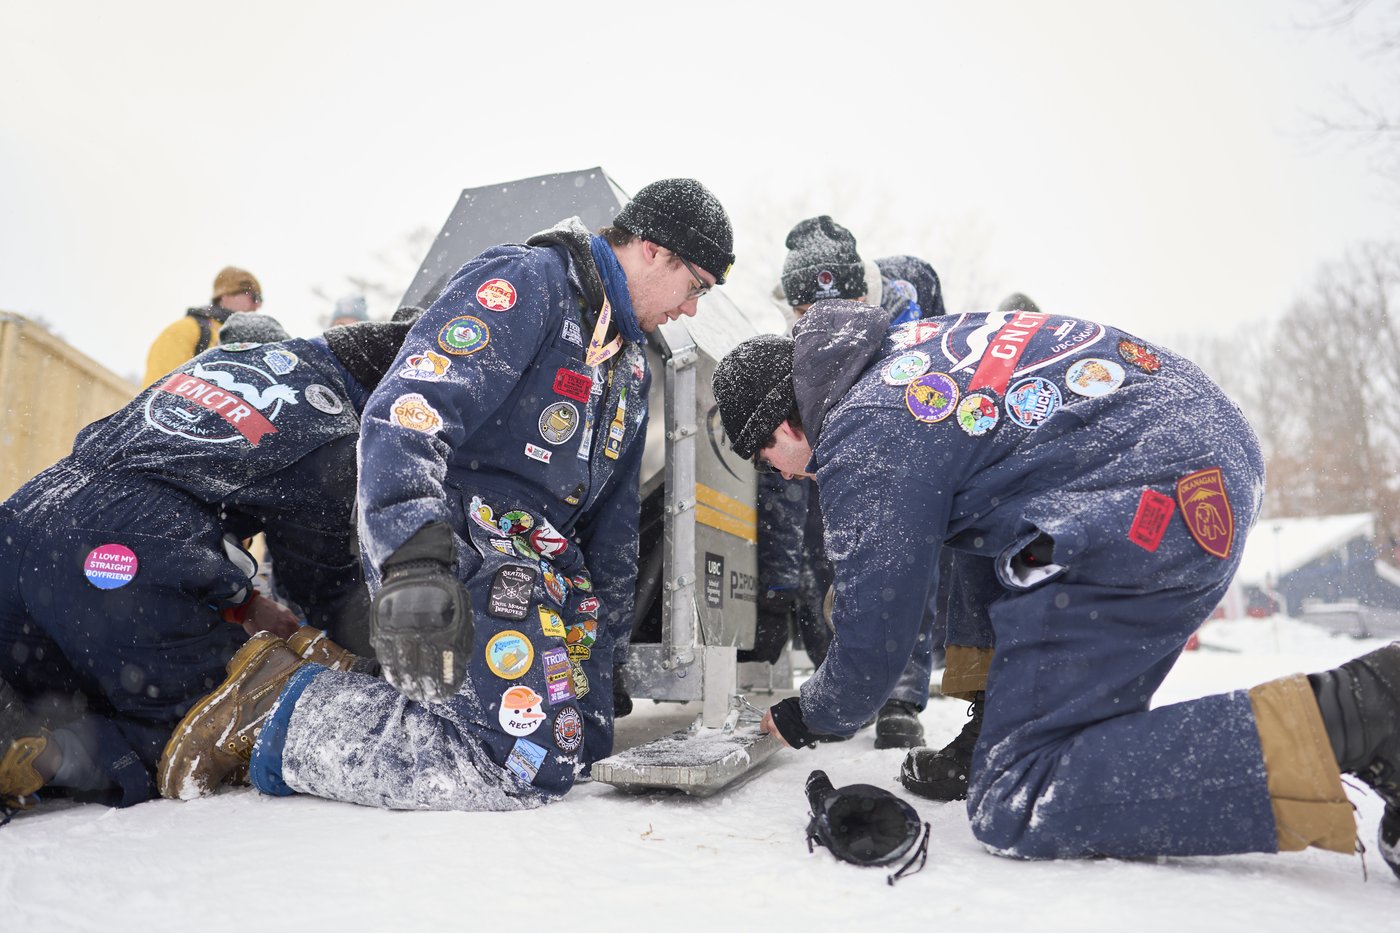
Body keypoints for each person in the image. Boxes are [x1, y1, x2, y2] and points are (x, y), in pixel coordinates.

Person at [712, 299, 1400, 876]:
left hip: (1143, 502)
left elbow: (874, 639)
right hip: (1189, 446)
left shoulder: (864, 430)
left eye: (771, 460)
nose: (787, 476)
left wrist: (809, 713)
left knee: (1018, 797)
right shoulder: (906, 354)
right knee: (969, 530)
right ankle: (993, 728)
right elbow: (964, 531)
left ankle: (1357, 715)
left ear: (781, 423)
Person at [157, 178, 735, 811]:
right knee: (520, 763)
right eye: (697, 286)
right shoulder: (529, 282)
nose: (692, 310)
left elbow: (614, 527)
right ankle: (281, 708)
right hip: (458, 539)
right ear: (653, 250)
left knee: (576, 747)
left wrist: (603, 656)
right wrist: (414, 558)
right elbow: (411, 409)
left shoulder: (627, 366)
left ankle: (396, 700)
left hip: (544, 563)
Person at [0, 319, 413, 809]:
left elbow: (175, 478)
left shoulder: (227, 358)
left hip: (26, 515)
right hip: (122, 563)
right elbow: (323, 593)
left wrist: (247, 602)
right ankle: (48, 759)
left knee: (47, 678)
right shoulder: (334, 434)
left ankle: (17, 723)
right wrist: (380, 664)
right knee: (204, 725)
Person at [748, 215, 946, 750]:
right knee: (823, 545)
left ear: (863, 298)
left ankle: (902, 695)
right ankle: (845, 681)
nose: (821, 328)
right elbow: (785, 470)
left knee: (908, 543)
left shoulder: (909, 320)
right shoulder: (795, 343)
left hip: (911, 433)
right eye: (807, 315)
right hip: (832, 442)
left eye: (833, 313)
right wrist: (777, 592)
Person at [144, 266, 263, 386]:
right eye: (255, 297)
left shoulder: (245, 344)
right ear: (226, 294)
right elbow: (160, 390)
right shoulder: (186, 329)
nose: (258, 305)